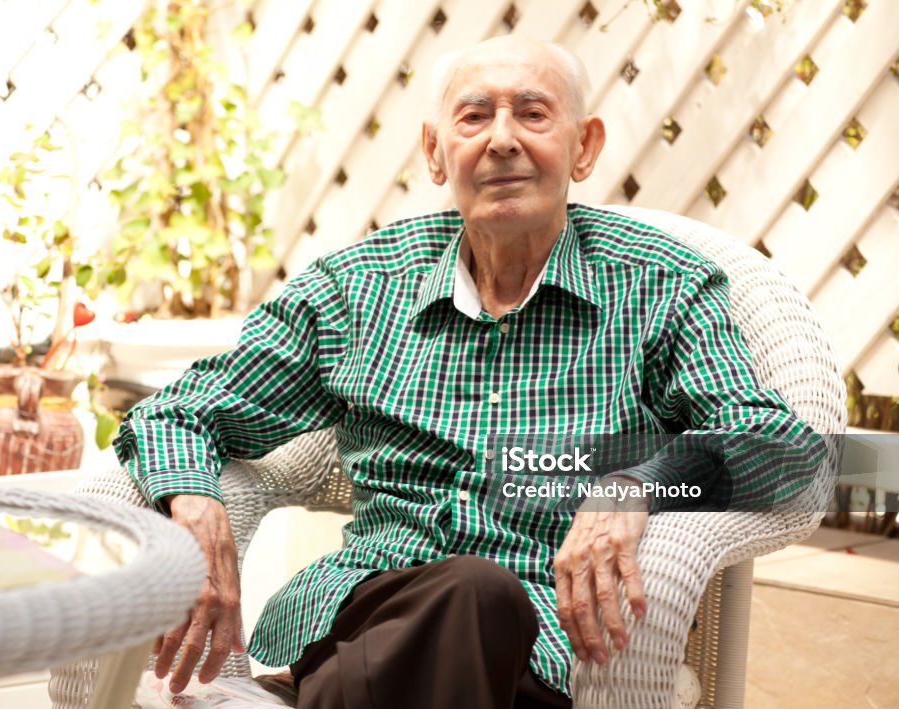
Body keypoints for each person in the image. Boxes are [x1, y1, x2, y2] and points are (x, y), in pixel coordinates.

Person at [115, 35, 816, 708]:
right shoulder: (359, 288)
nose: (502, 138)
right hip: (362, 609)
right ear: (435, 151)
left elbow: (781, 446)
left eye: (533, 114)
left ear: (584, 147)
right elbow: (182, 409)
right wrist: (196, 502)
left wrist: (636, 488)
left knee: (480, 594)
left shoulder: (659, 285)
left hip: (544, 641)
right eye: (474, 115)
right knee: (461, 598)